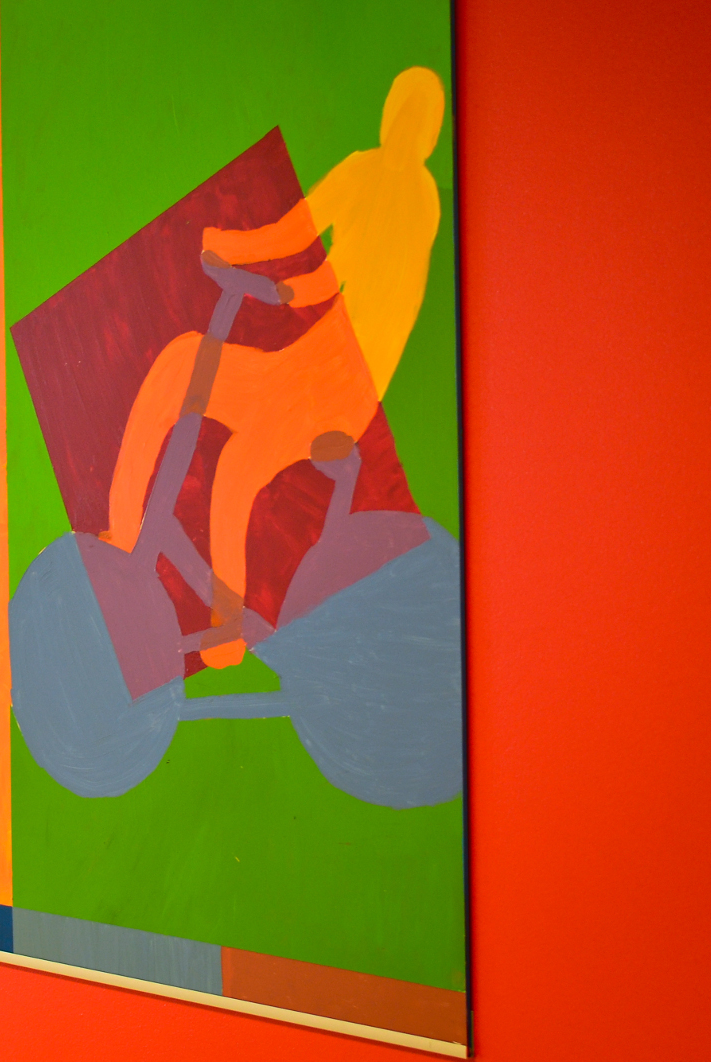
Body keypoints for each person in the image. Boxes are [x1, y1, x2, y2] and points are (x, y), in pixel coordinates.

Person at [103, 67, 444, 669]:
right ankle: (120, 539)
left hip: (343, 387)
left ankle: (228, 628)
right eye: (402, 114)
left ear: (429, 133)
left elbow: (340, 267)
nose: (405, 130)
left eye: (420, 121)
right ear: (390, 116)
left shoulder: (418, 200)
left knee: (239, 463)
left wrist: (232, 248)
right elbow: (328, 262)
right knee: (181, 361)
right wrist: (282, 288)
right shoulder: (363, 171)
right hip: (307, 363)